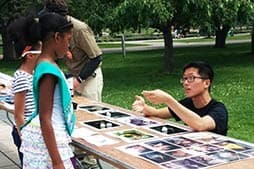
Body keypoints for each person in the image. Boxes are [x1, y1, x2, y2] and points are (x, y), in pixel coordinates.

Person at [13, 12, 76, 169]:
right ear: (57, 37)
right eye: (68, 40)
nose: (69, 46)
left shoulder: (43, 64)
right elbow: (45, 118)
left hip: (48, 137)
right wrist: (57, 161)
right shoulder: (48, 71)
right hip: (49, 141)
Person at [132, 61, 228, 135]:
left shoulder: (219, 110)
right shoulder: (188, 103)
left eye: (191, 78)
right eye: (184, 78)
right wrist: (144, 107)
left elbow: (200, 125)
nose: (186, 83)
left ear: (206, 83)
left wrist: (168, 99)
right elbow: (157, 113)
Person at [40, 0, 103, 102]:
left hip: (89, 78)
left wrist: (79, 80)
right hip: (72, 76)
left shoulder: (80, 29)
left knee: (90, 110)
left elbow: (96, 58)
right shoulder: (55, 30)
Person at [7, 18, 42, 166]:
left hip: (35, 133)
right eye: (42, 51)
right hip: (27, 135)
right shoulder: (22, 78)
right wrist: (25, 139)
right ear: (30, 54)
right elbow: (18, 114)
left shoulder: (33, 74)